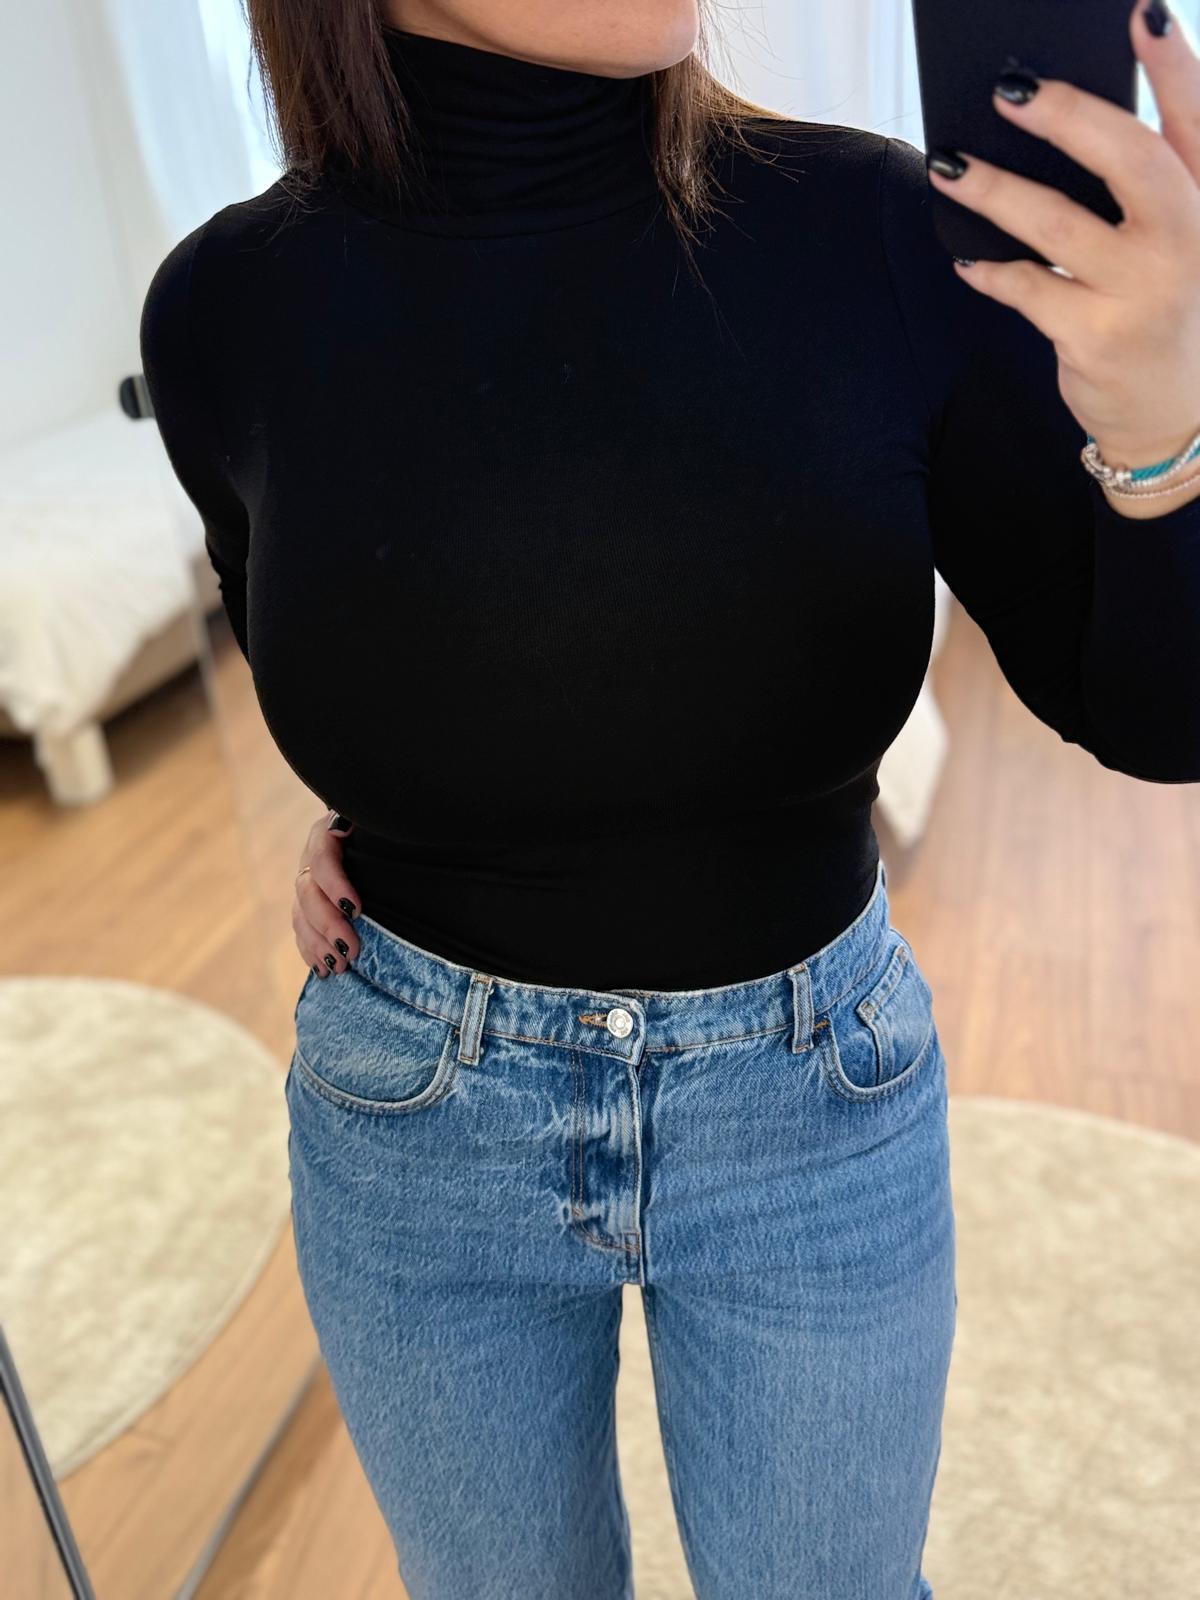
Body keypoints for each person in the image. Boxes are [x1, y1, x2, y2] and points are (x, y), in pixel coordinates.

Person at [138, 3, 1200, 1595]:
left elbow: (1155, 718)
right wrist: (393, 784)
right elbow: (344, 620)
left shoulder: (877, 231)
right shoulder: (222, 311)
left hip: (809, 1105)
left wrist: (1166, 433)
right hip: (416, 1121)